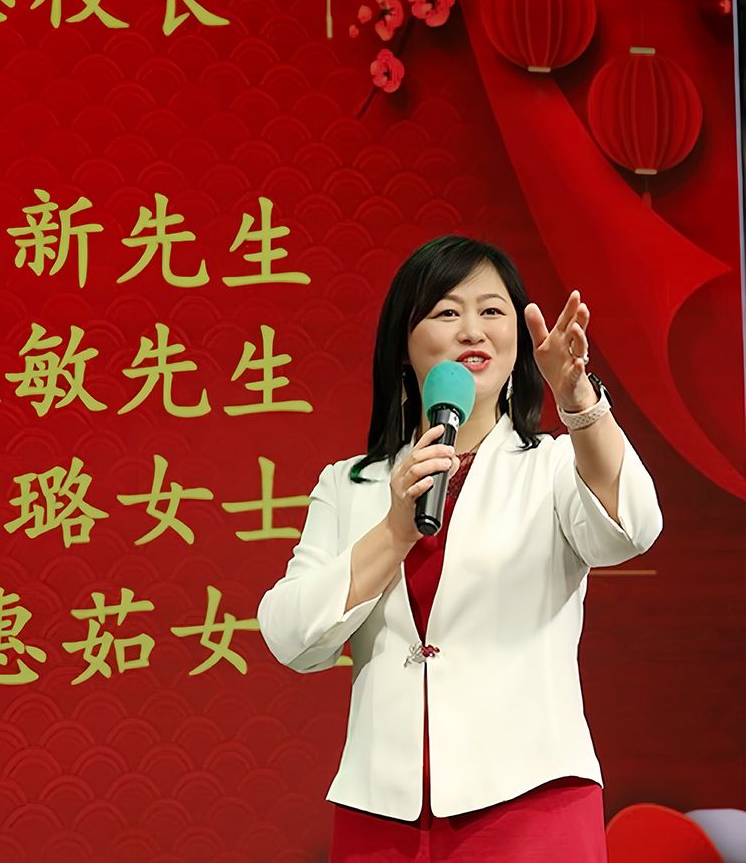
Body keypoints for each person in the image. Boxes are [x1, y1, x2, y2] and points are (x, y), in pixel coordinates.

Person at [257, 235, 663, 862]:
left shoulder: (553, 464)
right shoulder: (350, 484)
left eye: (492, 311)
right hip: (381, 817)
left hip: (531, 802)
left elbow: (632, 526)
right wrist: (395, 529)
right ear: (404, 344)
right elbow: (290, 635)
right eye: (447, 311)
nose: (473, 329)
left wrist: (580, 403)